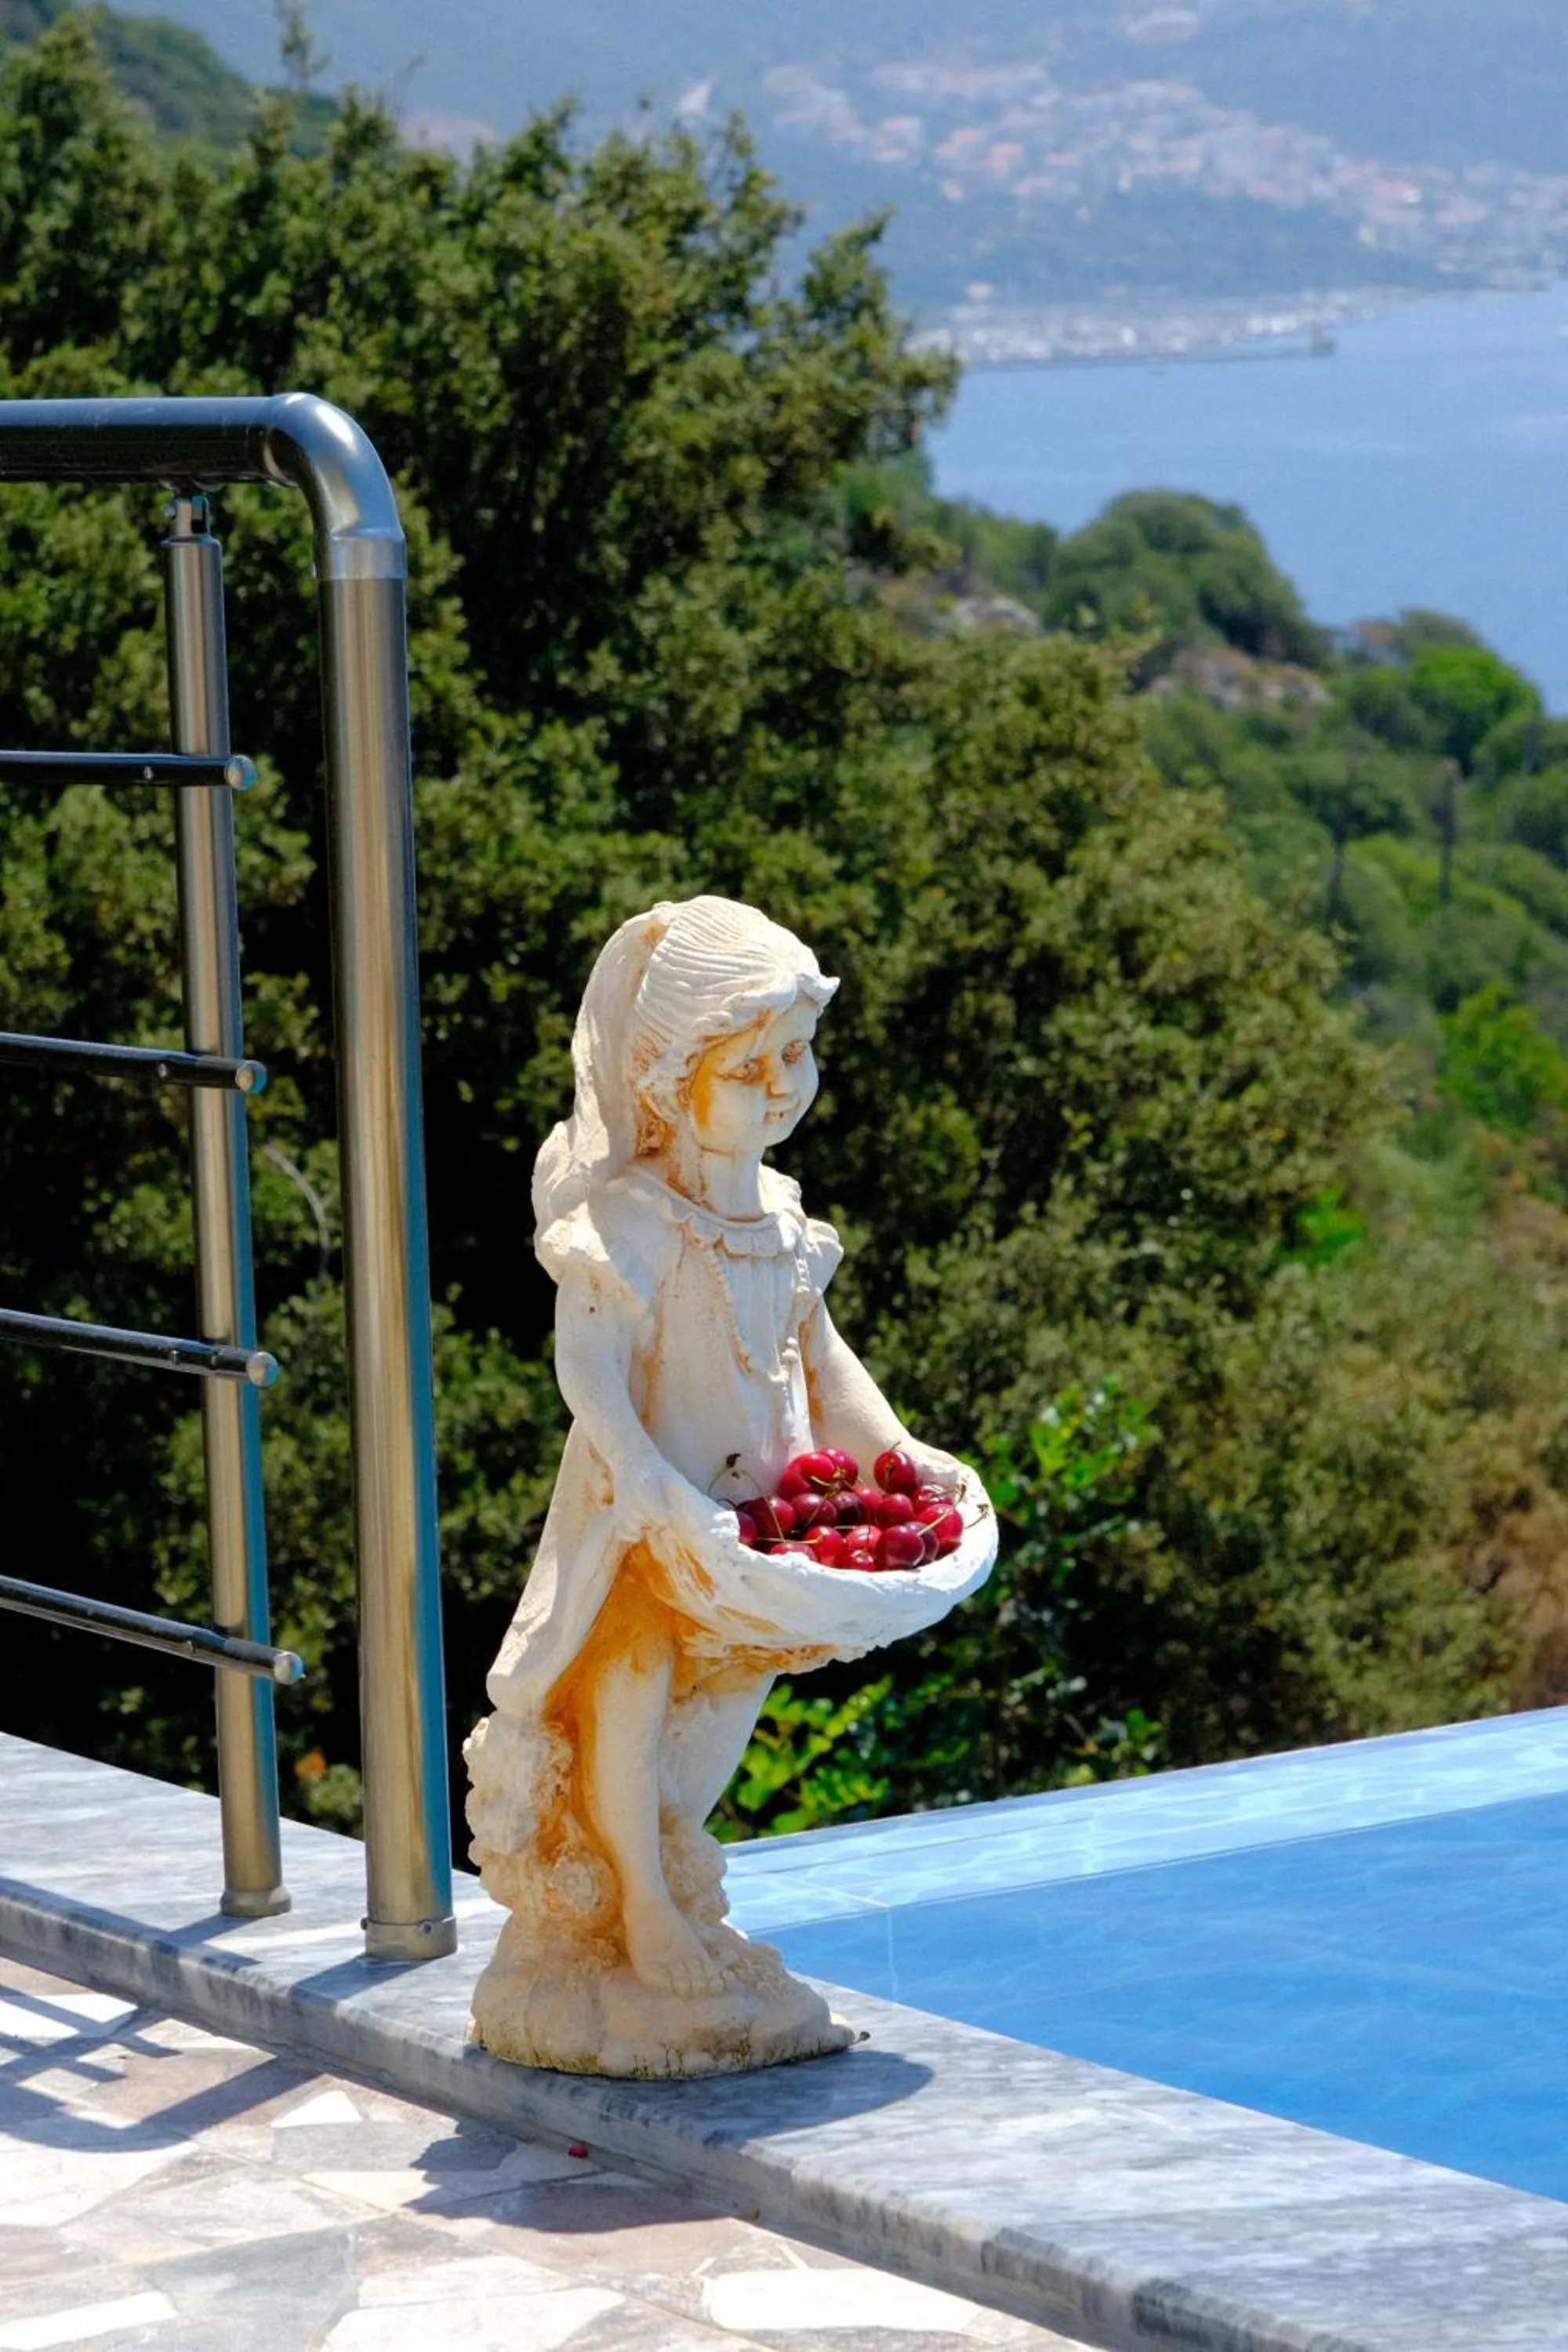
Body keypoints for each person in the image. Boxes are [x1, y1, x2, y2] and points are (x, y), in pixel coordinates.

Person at [465, 896, 992, 2034]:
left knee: (731, 1691)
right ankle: (640, 1910)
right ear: (671, 1078)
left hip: (759, 1528)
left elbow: (822, 1357)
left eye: (796, 1056)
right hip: (646, 1517)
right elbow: (588, 1364)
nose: (785, 1085)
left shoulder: (782, 1215)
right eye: (752, 1067)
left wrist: (896, 1453)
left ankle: (659, 1854)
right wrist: (645, 1477)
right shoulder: (635, 1221)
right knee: (631, 1683)